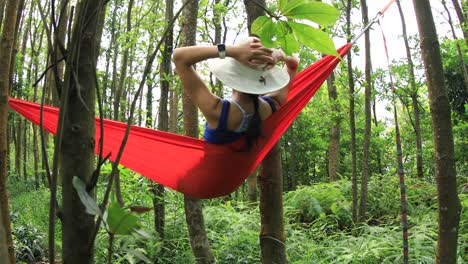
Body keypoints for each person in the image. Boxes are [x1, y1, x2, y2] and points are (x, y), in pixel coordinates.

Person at [172, 37, 299, 149]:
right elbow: (293, 64)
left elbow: (179, 57)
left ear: (233, 74)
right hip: (237, 176)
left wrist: (233, 51)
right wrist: (279, 54)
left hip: (205, 176)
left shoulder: (217, 111)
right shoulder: (273, 106)